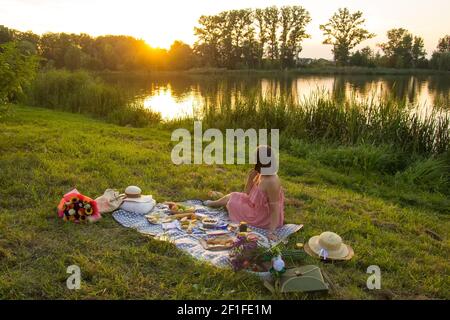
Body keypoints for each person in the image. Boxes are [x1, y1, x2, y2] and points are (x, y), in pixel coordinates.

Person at [204, 145, 284, 240]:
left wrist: (271, 232)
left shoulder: (272, 181)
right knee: (234, 195)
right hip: (255, 206)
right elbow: (247, 193)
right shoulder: (262, 172)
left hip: (263, 217)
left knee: (232, 203)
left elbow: (275, 209)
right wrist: (250, 179)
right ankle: (214, 203)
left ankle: (218, 204)